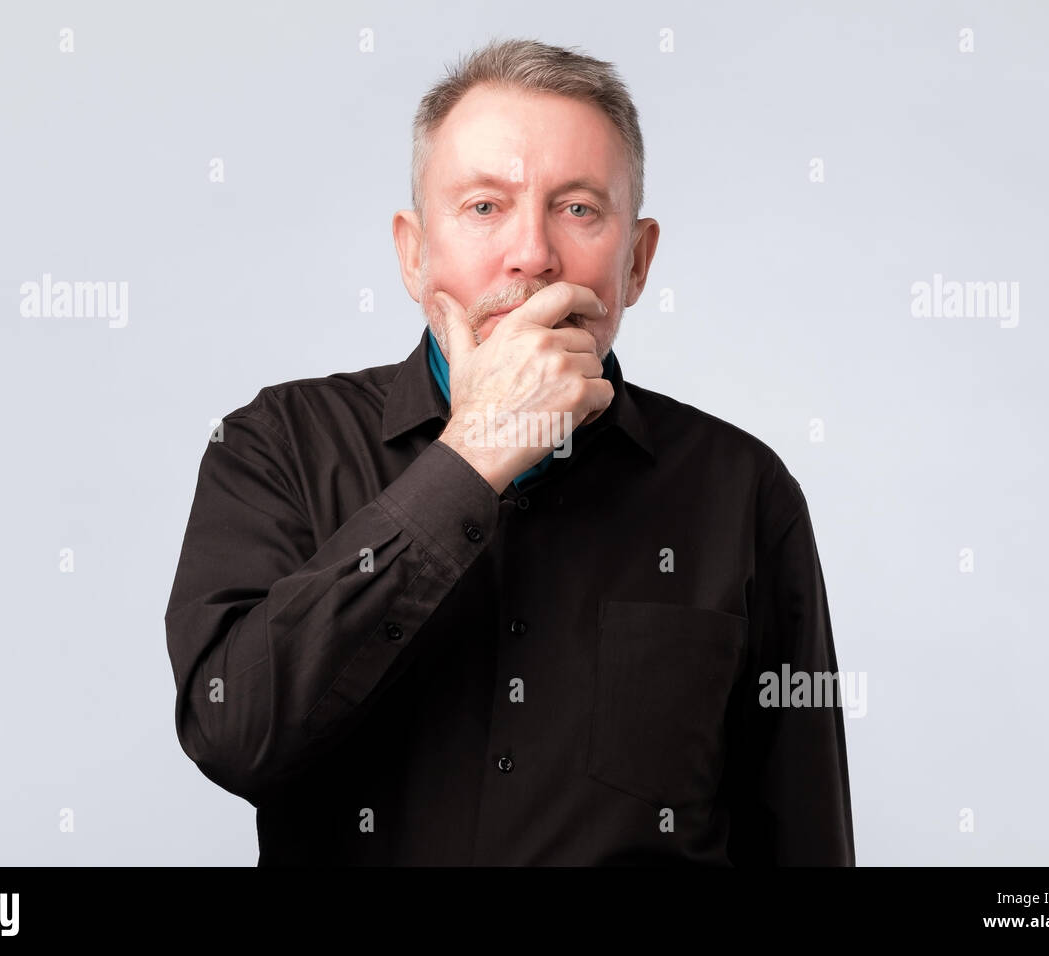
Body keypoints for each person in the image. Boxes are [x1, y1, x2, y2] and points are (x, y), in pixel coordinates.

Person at [164, 37, 855, 866]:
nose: (532, 254)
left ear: (635, 263)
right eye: (485, 206)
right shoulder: (274, 445)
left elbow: (803, 837)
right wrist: (471, 458)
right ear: (415, 254)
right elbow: (230, 730)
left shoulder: (744, 491)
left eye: (579, 209)